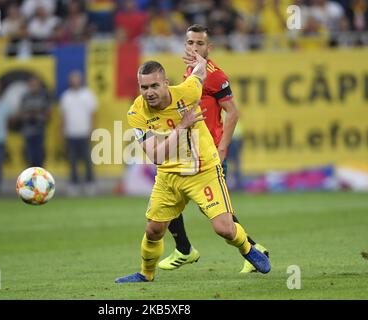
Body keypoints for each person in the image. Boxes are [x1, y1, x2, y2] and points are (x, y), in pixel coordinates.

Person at [115, 55, 270, 283]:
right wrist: (182, 126)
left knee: (224, 229)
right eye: (144, 87)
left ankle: (248, 249)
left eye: (154, 85)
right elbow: (157, 156)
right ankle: (146, 275)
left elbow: (199, 73)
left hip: (203, 171)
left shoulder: (187, 93)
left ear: (166, 83)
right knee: (154, 230)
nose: (149, 92)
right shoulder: (137, 112)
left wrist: (200, 60)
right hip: (169, 175)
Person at [158, 24, 269, 274]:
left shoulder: (215, 75)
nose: (194, 48)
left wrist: (223, 148)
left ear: (209, 48)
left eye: (199, 44)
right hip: (189, 151)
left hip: (209, 154)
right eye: (190, 43)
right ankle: (185, 249)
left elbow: (233, 113)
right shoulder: (191, 72)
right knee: (169, 194)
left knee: (218, 214)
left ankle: (253, 250)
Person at [59, 70, 98, 196]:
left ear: (81, 80)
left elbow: (93, 114)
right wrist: (62, 130)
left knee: (87, 160)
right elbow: (63, 116)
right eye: (73, 79)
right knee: (72, 161)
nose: (75, 81)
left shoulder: (87, 95)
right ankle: (74, 184)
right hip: (70, 133)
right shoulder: (66, 96)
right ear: (70, 81)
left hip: (84, 132)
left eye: (77, 79)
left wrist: (92, 129)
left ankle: (89, 183)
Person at [17, 76, 51, 167]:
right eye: (32, 84)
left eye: (35, 84)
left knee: (39, 154)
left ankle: (40, 174)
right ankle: (30, 174)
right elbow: (20, 113)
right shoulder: (25, 97)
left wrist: (37, 115)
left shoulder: (43, 97)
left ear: (39, 85)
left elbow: (48, 113)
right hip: (28, 130)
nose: (33, 86)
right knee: (29, 154)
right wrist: (29, 115)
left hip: (39, 129)